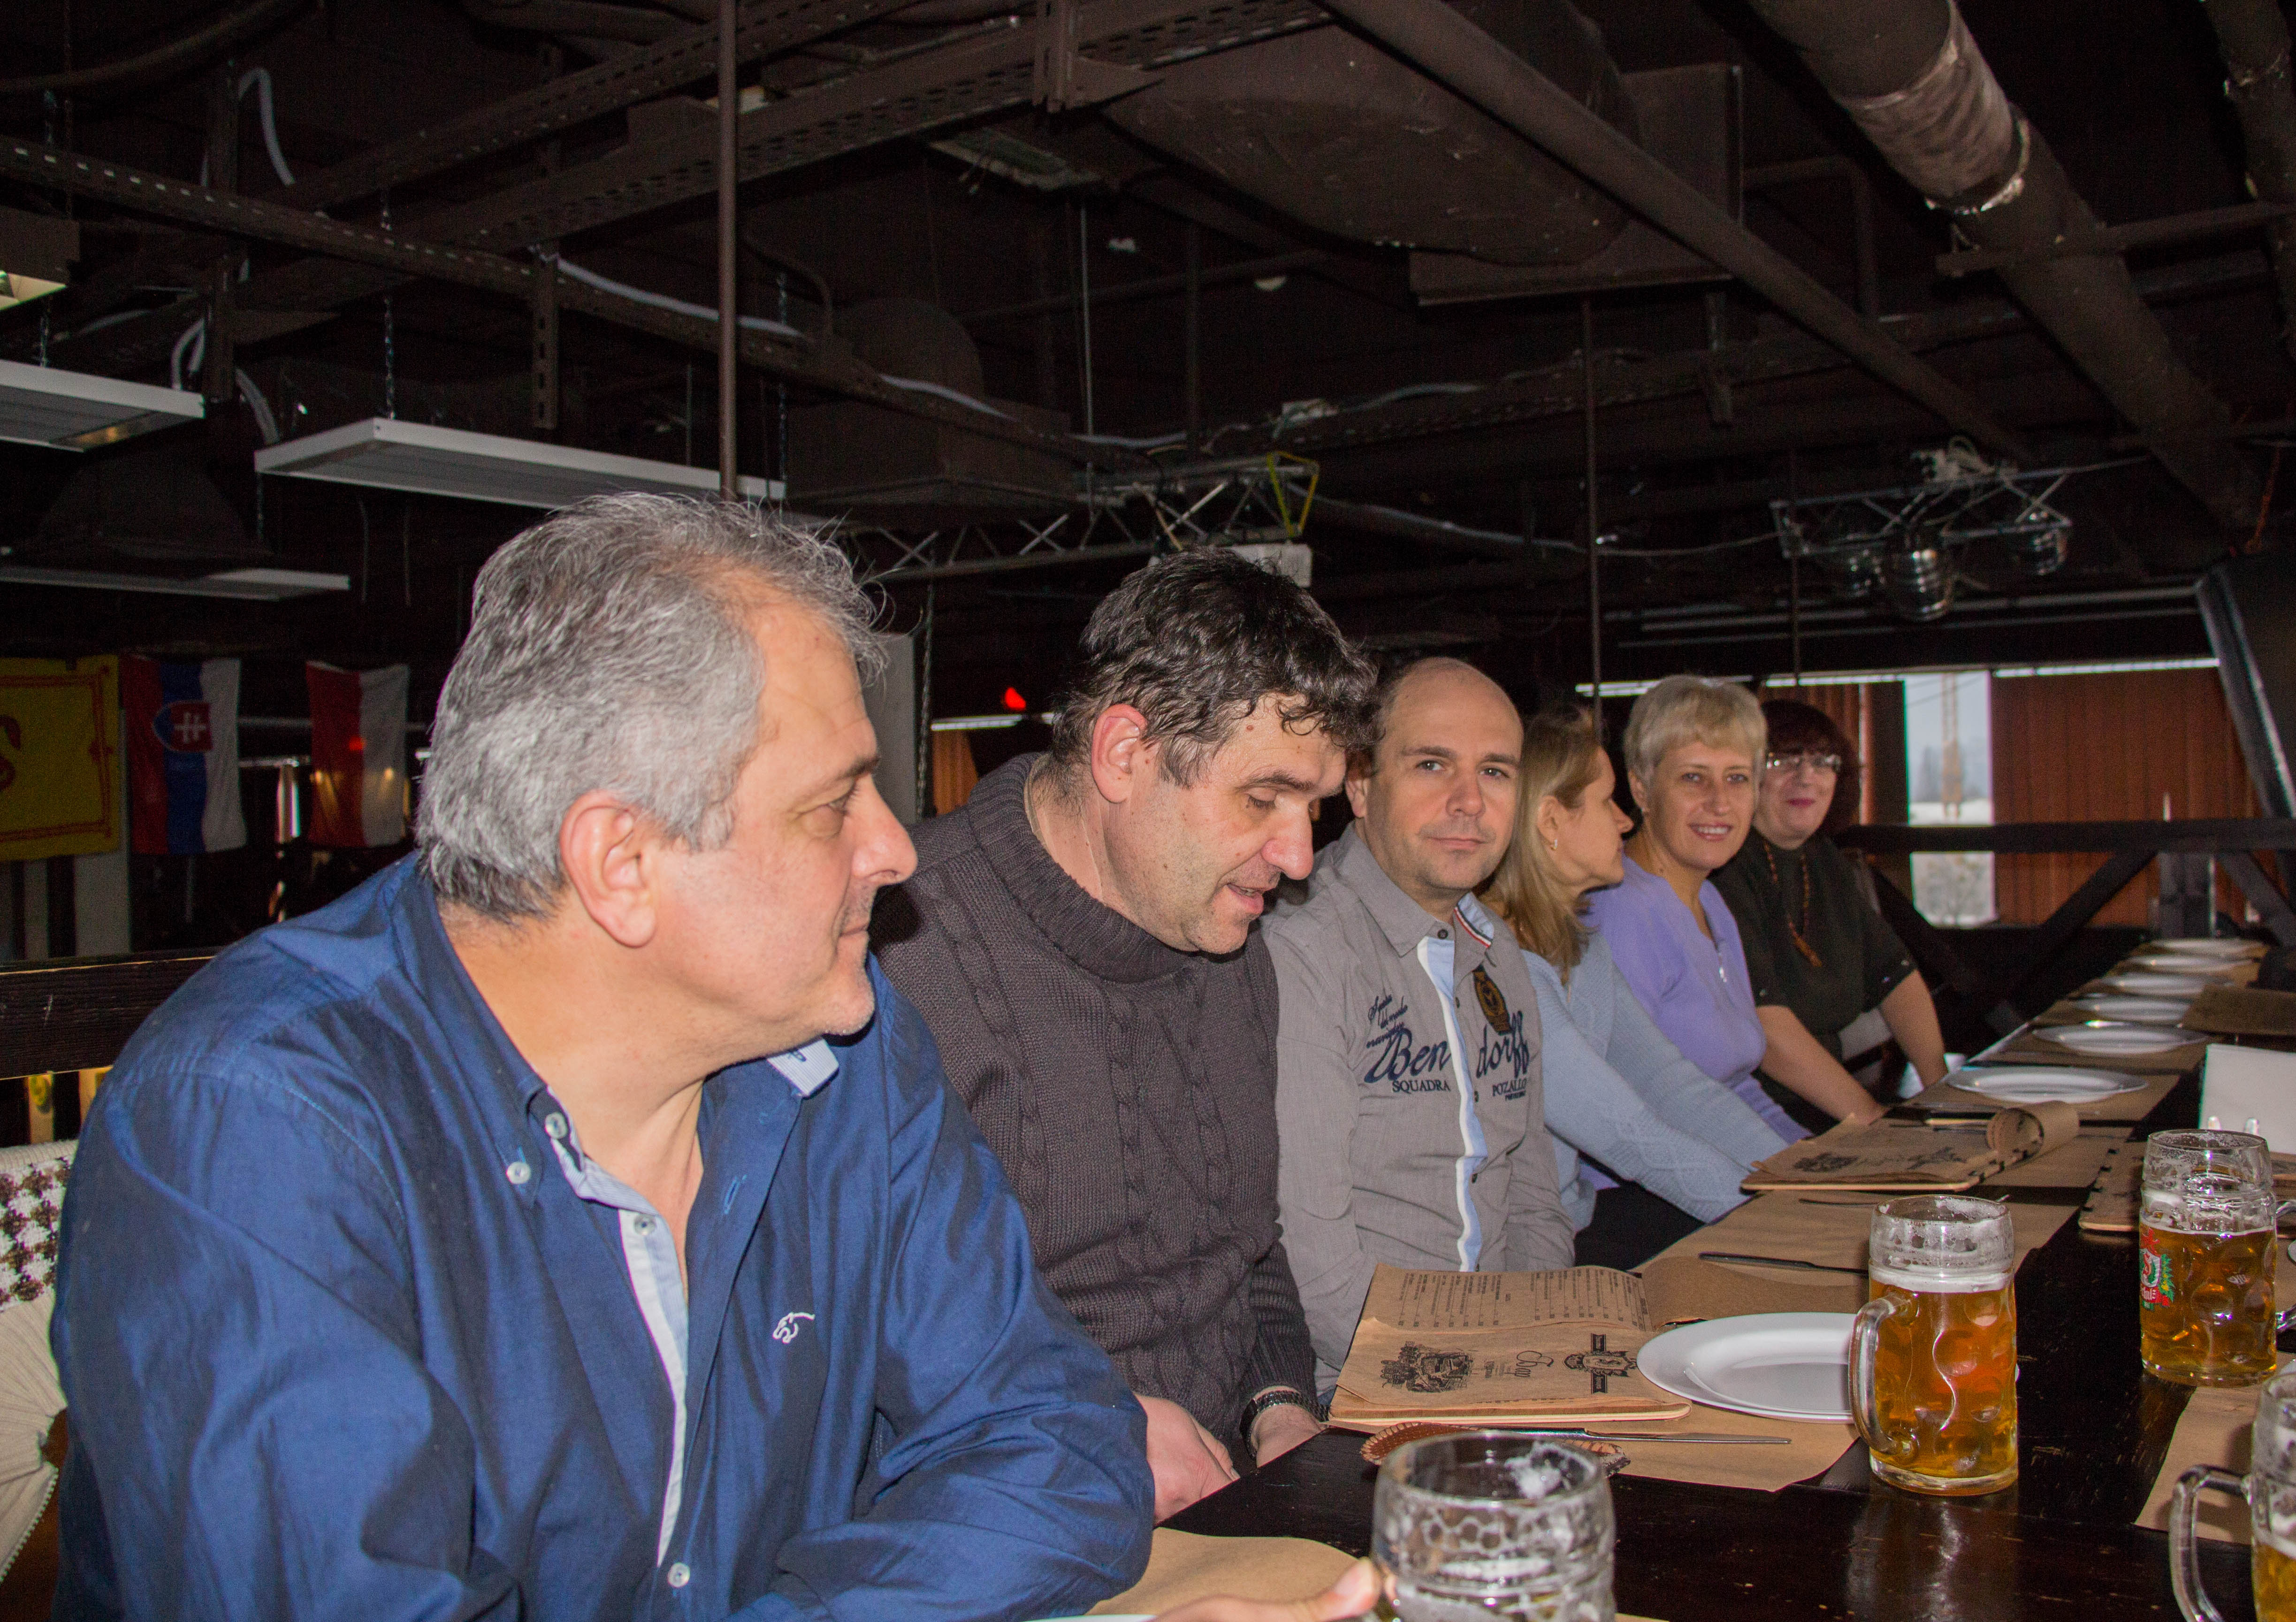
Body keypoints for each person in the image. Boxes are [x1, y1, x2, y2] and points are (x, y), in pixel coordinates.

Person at [49, 496, 1153, 1620]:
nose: (895, 847)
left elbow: (1061, 1440)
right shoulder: (253, 1130)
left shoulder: (846, 1052)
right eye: (832, 807)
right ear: (621, 862)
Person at [873, 549, 1373, 1517]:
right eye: (1261, 799)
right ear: (1123, 753)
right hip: (1006, 1511)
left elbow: (1248, 1249)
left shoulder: (1230, 946)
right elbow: (853, 1335)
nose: (1298, 857)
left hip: (1228, 1494)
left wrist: (1278, 1406)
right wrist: (1091, 1419)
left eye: (1310, 809)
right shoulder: (900, 960)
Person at [1269, 658, 1573, 1392]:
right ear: (1361, 782)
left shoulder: (1499, 950)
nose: (1469, 801)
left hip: (1504, 1365)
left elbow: (1534, 1198)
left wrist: (1534, 1351)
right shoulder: (1303, 951)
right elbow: (1315, 1267)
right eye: (1432, 765)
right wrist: (1474, 1386)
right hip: (1359, 1390)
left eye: (1495, 772)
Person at [1479, 705, 1790, 1268]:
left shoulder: (1582, 945)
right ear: (1551, 821)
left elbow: (1672, 1085)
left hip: (1574, 1221)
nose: (1624, 822)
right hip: (1511, 1256)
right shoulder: (1497, 964)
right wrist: (1781, 1219)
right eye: (1607, 802)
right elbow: (1628, 1135)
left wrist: (1797, 1180)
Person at [1586, 674, 1884, 1133]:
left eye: (1737, 778)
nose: (1720, 802)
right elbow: (1627, 1116)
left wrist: (1806, 1156)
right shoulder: (1621, 913)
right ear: (1642, 789)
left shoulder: (1710, 900)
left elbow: (1738, 1088)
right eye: (1694, 778)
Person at [1712, 699, 1948, 1129]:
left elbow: (1894, 976)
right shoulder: (1724, 868)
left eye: (1823, 761)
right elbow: (1763, 1024)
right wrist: (1873, 1119)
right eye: (1783, 759)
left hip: (1825, 1099)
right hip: (1756, 1113)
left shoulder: (1822, 860)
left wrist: (1941, 1090)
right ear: (1743, 775)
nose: (1806, 776)